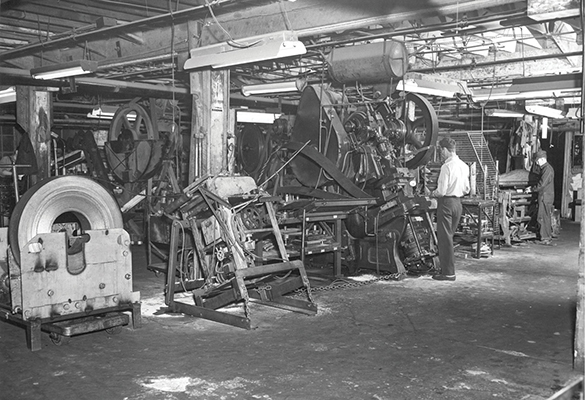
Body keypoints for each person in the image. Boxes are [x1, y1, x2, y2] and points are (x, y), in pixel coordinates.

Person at [431, 137, 470, 281]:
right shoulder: (464, 166)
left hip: (446, 204)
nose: (441, 153)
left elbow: (441, 191)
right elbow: (467, 188)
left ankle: (448, 273)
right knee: (449, 237)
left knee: (444, 239)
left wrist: (431, 193)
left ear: (446, 150)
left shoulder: (446, 167)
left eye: (441, 150)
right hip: (458, 204)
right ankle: (445, 268)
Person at [530, 150, 555, 245]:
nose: (537, 163)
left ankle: (545, 238)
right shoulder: (545, 169)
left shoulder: (547, 169)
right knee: (544, 216)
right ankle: (545, 237)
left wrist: (532, 189)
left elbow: (542, 184)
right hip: (545, 196)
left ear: (542, 159)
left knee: (543, 217)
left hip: (545, 197)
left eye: (537, 161)